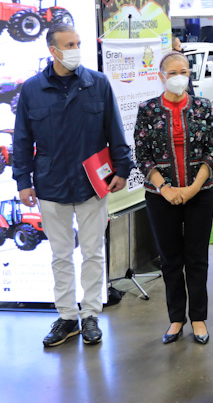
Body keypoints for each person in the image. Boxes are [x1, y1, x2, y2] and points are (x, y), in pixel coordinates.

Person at [12, 24, 133, 347]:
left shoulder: (97, 83)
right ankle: (67, 317)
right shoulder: (32, 90)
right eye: (69, 44)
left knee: (93, 253)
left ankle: (90, 314)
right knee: (60, 255)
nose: (76, 49)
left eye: (78, 43)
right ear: (53, 51)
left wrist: (122, 169)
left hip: (92, 184)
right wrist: (23, 181)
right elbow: (22, 139)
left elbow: (115, 130)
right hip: (50, 184)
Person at [134, 52, 213, 345]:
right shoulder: (147, 110)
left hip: (200, 193)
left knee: (197, 258)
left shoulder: (203, 107)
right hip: (161, 197)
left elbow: (212, 151)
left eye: (183, 71)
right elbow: (142, 155)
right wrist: (166, 189)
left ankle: (198, 317)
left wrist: (193, 188)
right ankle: (176, 318)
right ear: (161, 76)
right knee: (170, 259)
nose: (178, 77)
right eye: (172, 72)